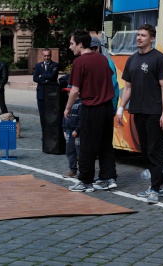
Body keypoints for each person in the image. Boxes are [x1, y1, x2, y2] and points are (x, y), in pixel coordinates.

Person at [117, 24, 163, 204]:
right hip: (137, 111)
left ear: (152, 38)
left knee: (154, 151)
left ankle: (155, 189)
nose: (139, 38)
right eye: (138, 35)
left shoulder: (159, 59)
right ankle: (159, 184)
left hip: (154, 112)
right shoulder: (131, 60)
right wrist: (120, 108)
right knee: (145, 151)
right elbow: (128, 87)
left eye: (143, 35)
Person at [66, 29, 117, 193]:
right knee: (105, 145)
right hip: (107, 107)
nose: (70, 47)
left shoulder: (80, 62)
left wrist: (67, 108)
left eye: (72, 43)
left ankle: (85, 181)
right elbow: (108, 78)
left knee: (87, 146)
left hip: (91, 108)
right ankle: (108, 178)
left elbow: (74, 90)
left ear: (80, 44)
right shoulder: (103, 59)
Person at [89, 37, 120, 114]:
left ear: (98, 48)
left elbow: (114, 86)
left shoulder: (107, 63)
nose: (89, 51)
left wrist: (112, 108)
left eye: (91, 48)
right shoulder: (87, 63)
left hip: (104, 109)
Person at [33, 49, 59, 135]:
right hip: (41, 94)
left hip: (51, 94)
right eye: (45, 56)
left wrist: (42, 75)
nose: (46, 57)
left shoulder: (55, 65)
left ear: (50, 55)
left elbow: (53, 76)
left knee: (52, 115)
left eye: (48, 56)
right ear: (42, 56)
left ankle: (52, 133)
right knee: (42, 115)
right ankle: (45, 133)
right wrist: (45, 81)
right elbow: (35, 78)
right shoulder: (38, 66)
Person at [62, 87, 81, 178]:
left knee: (79, 152)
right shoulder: (68, 104)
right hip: (69, 131)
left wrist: (77, 130)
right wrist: (64, 129)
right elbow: (65, 118)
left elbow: (82, 119)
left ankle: (82, 170)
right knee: (70, 151)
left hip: (77, 132)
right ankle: (72, 169)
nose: (68, 94)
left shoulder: (80, 104)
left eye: (70, 92)